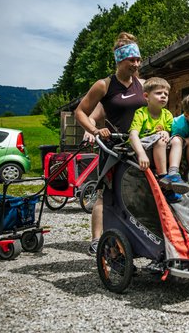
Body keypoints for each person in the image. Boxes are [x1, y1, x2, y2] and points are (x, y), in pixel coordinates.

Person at [75, 32, 147, 256]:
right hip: (113, 148)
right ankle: (97, 241)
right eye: (131, 60)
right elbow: (80, 112)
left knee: (136, 193)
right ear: (119, 60)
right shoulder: (104, 85)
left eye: (137, 59)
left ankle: (134, 239)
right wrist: (94, 130)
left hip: (139, 147)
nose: (135, 64)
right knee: (105, 194)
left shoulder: (144, 85)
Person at [128, 77, 189, 202]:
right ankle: (163, 180)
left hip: (161, 147)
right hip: (145, 148)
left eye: (166, 94)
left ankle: (173, 174)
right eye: (158, 93)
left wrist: (167, 132)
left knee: (177, 139)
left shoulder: (167, 114)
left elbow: (170, 132)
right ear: (146, 96)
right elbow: (133, 135)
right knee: (160, 139)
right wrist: (141, 154)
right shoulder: (141, 113)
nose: (163, 96)